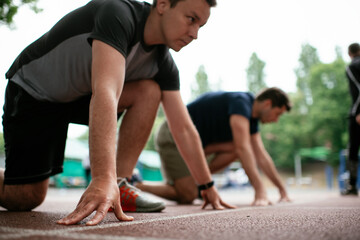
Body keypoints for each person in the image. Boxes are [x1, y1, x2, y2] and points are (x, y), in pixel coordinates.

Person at [0, 0, 233, 226]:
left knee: (149, 91)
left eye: (200, 26)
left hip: (78, 95)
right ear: (162, 4)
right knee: (23, 198)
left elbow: (183, 127)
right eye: (191, 19)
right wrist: (101, 177)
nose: (195, 33)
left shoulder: (163, 64)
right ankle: (108, 181)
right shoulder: (118, 14)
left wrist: (206, 185)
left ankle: (121, 183)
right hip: (35, 91)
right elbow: (106, 92)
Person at [136, 87, 292, 205]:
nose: (276, 120)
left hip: (195, 145)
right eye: (277, 113)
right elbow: (243, 149)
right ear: (267, 103)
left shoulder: (252, 120)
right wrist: (260, 191)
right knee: (188, 196)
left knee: (238, 149)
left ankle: (197, 181)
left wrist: (282, 189)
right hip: (173, 133)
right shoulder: (241, 102)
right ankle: (137, 184)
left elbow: (261, 156)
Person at [342, 43, 360, 196]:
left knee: (353, 148)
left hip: (358, 113)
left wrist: (358, 111)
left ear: (350, 53)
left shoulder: (352, 67)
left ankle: (352, 186)